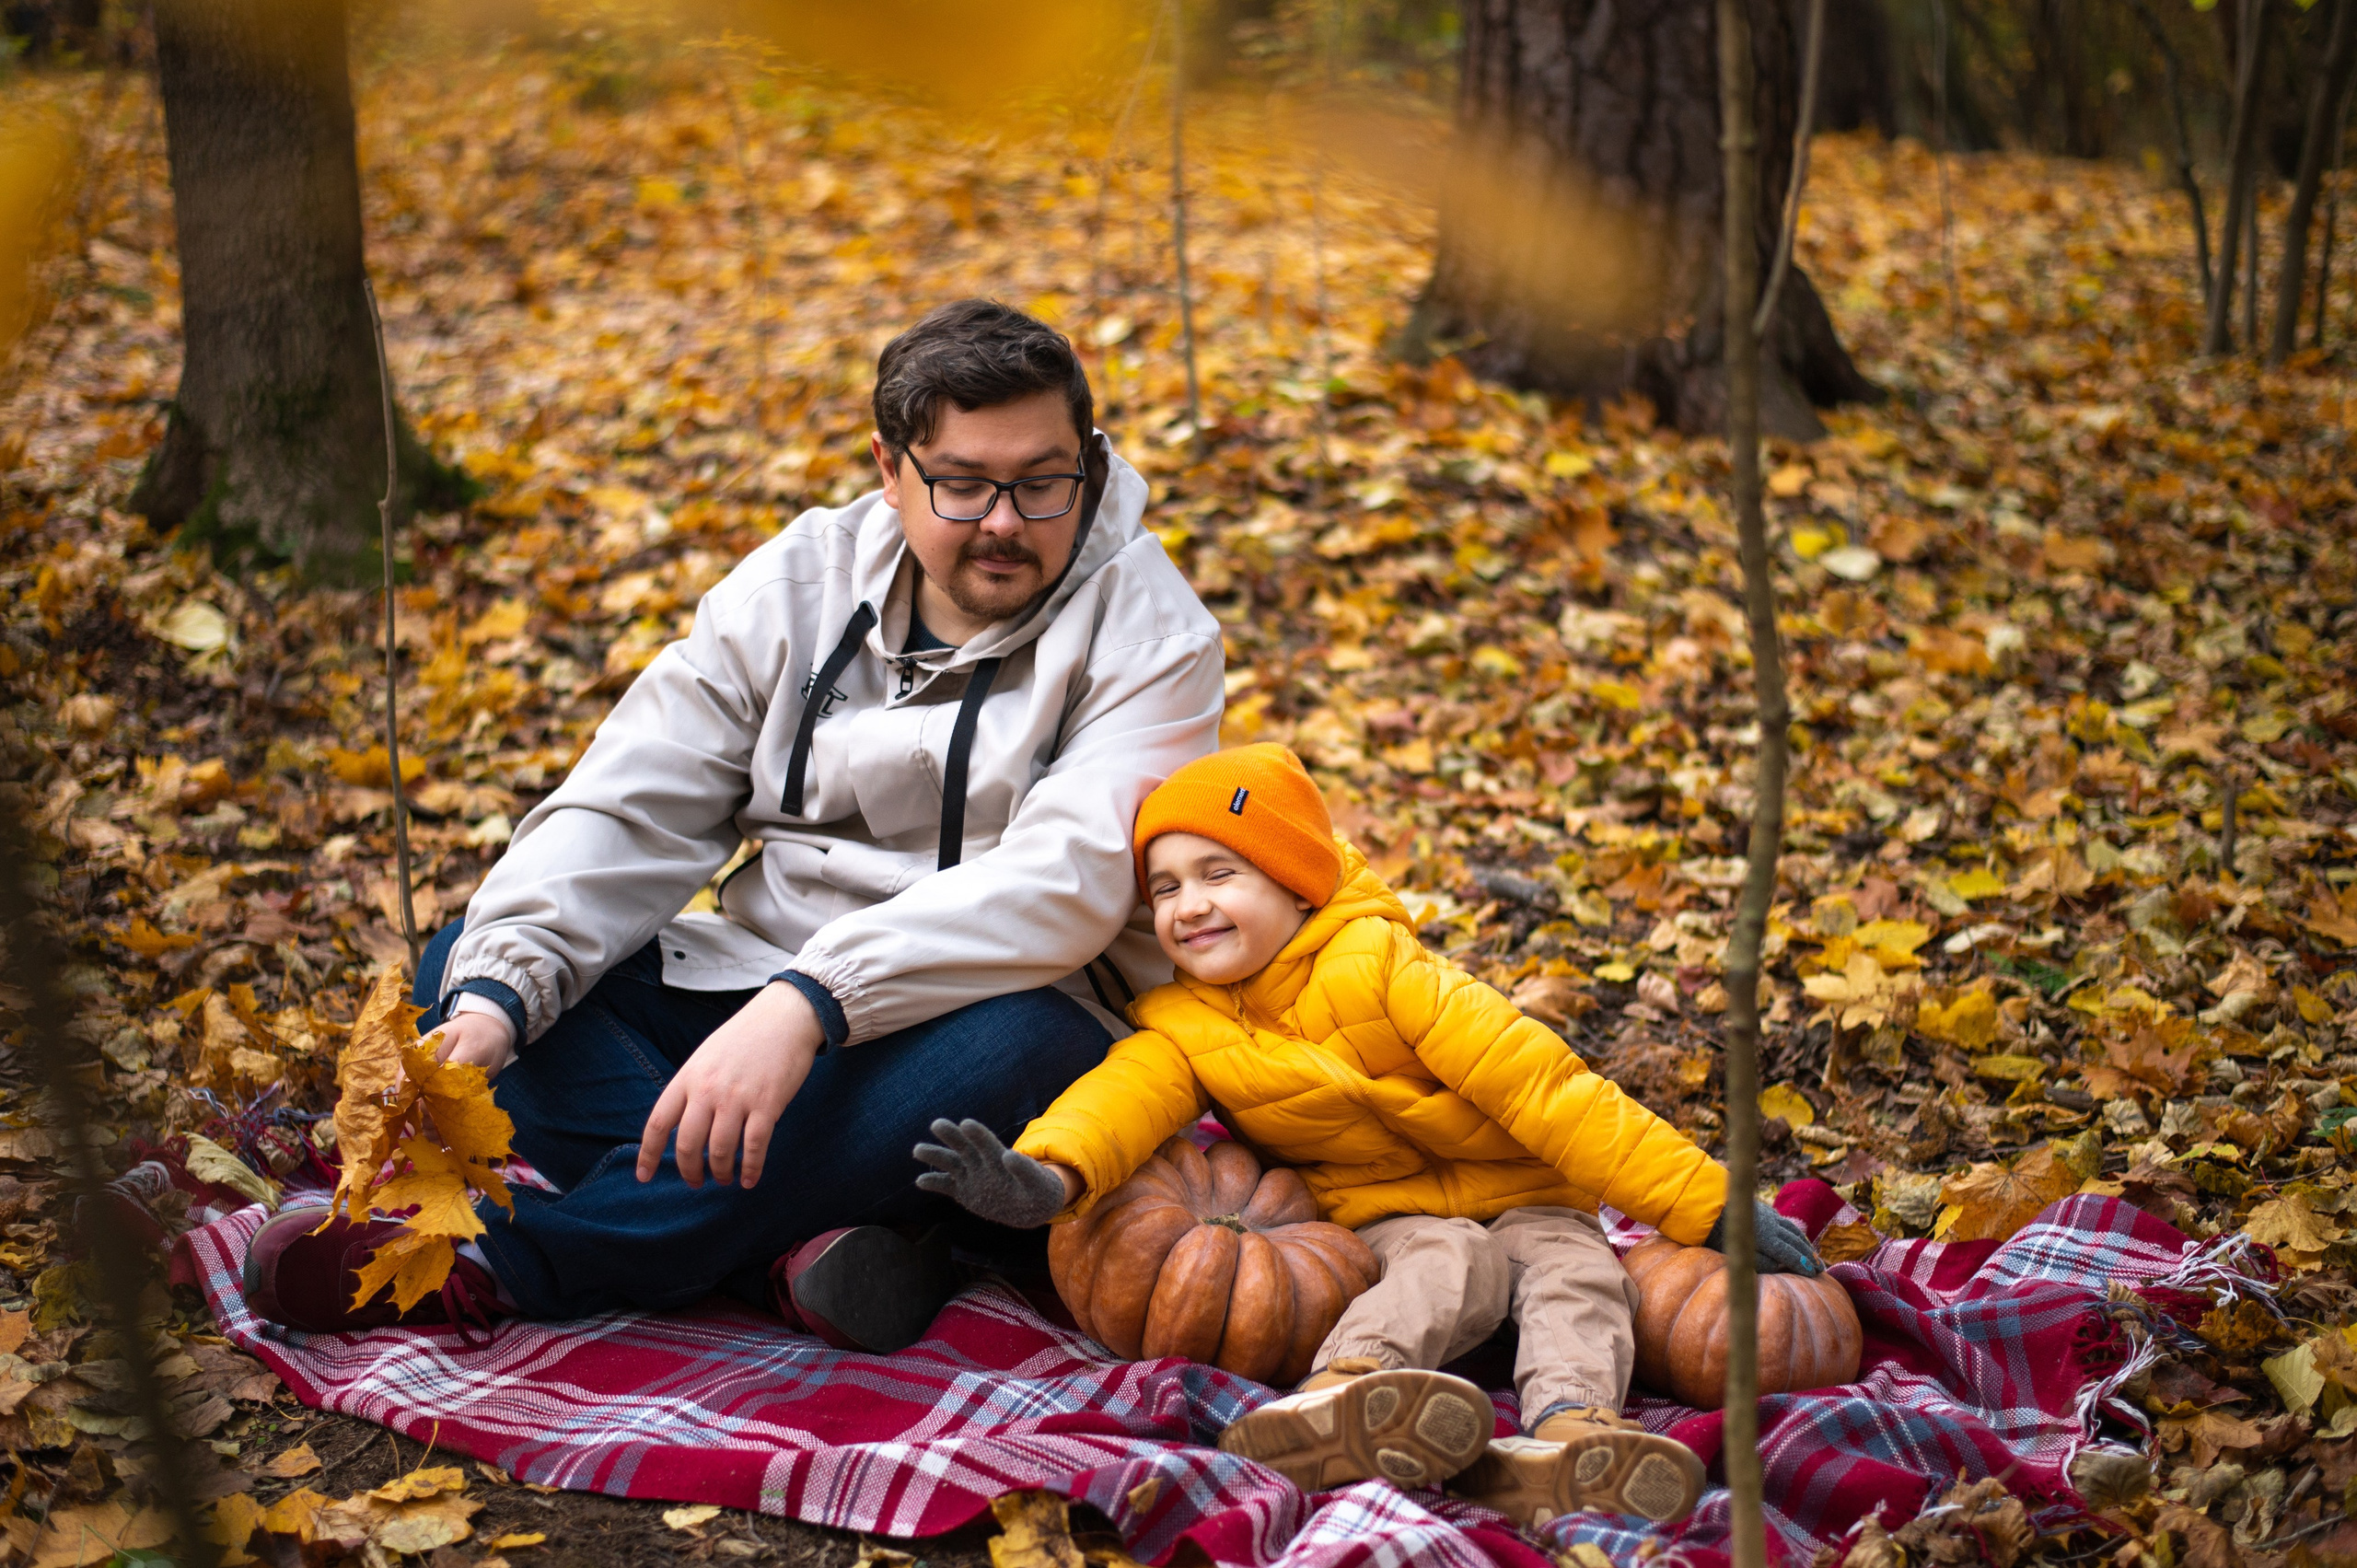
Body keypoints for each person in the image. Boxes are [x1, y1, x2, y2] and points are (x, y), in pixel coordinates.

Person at [243, 300, 1225, 1347]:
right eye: (963, 484)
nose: (1005, 520)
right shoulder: (799, 582)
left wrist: (810, 1003)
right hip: (757, 981)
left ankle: (513, 1265)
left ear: (1089, 460)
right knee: (477, 964)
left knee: (1037, 1039)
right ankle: (783, 1241)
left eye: (1042, 482)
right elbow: (631, 802)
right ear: (890, 472)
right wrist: (500, 996)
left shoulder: (1152, 630)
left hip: (988, 1008)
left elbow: (1063, 888)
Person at [912, 744, 1822, 1527]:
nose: (1187, 904)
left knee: (1580, 1275)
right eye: (1165, 888)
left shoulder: (1395, 971)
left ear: (1295, 877)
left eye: (1219, 873)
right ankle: (1344, 1394)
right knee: (1450, 1259)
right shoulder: (1184, 1023)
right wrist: (1048, 1173)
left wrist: (1707, 1204)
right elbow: (1122, 1096)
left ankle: (1570, 1435)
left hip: (1532, 1193)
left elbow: (1554, 1093)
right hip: (1388, 1215)